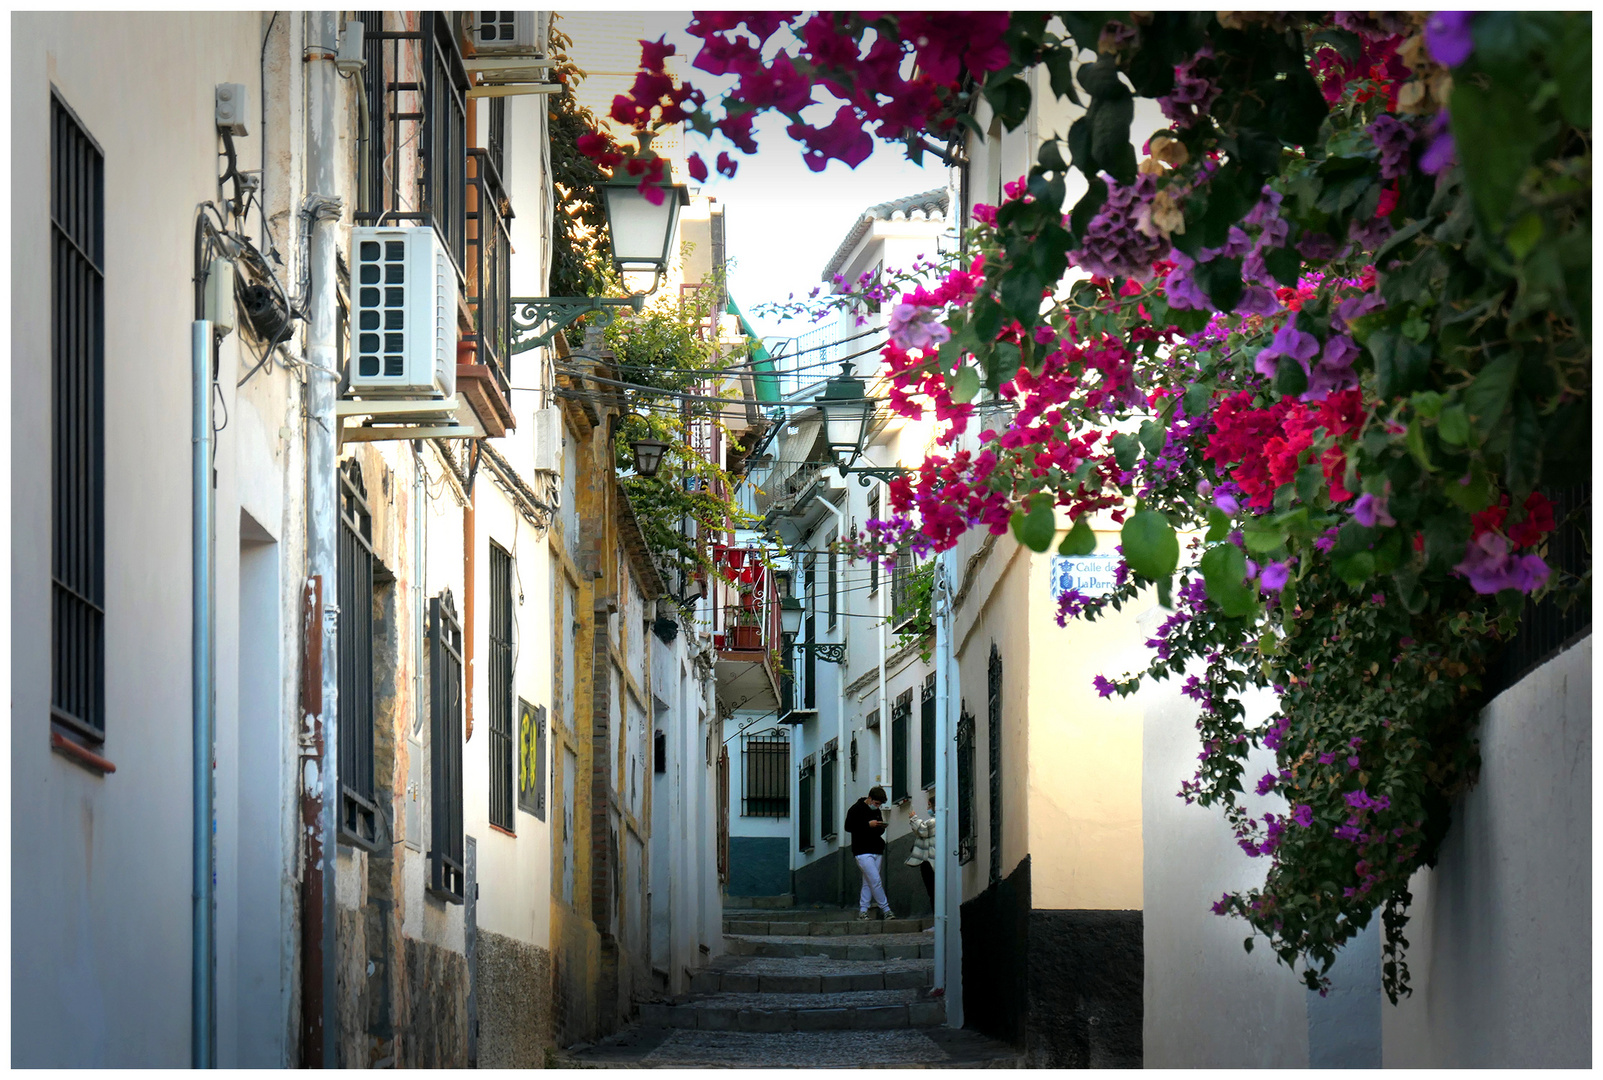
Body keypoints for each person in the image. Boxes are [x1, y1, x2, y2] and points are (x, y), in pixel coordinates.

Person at [845, 786, 894, 920]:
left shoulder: (876, 811)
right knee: (875, 880)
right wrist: (868, 825)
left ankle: (863, 911)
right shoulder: (855, 809)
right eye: (876, 803)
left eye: (879, 804)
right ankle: (886, 909)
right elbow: (848, 827)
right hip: (862, 850)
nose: (877, 806)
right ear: (870, 799)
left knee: (868, 881)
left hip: (876, 849)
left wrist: (879, 827)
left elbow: (877, 830)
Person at [906, 791, 936, 915]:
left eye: (929, 805)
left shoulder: (934, 822)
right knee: (933, 892)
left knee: (933, 891)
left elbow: (922, 830)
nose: (927, 808)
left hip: (930, 861)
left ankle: (937, 922)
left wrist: (913, 817)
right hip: (930, 861)